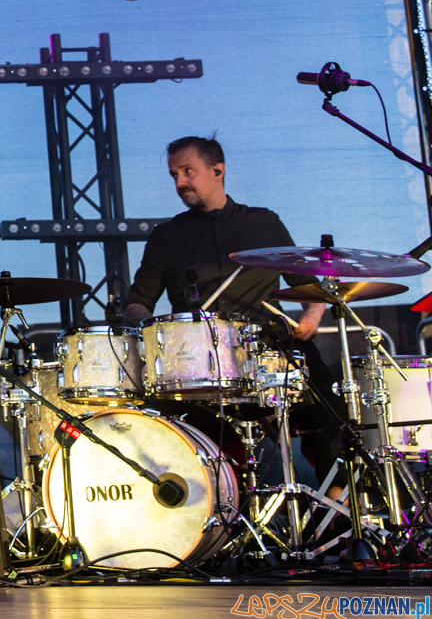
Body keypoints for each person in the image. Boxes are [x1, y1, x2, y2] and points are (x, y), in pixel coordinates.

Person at [121, 135, 343, 484]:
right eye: (174, 174)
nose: (180, 182)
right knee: (175, 425)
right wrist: (148, 326)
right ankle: (217, 508)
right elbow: (138, 302)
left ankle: (335, 501)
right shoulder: (166, 236)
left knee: (332, 399)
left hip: (268, 348)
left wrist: (312, 317)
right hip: (194, 360)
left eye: (188, 171)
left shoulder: (263, 223)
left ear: (218, 170)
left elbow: (308, 285)